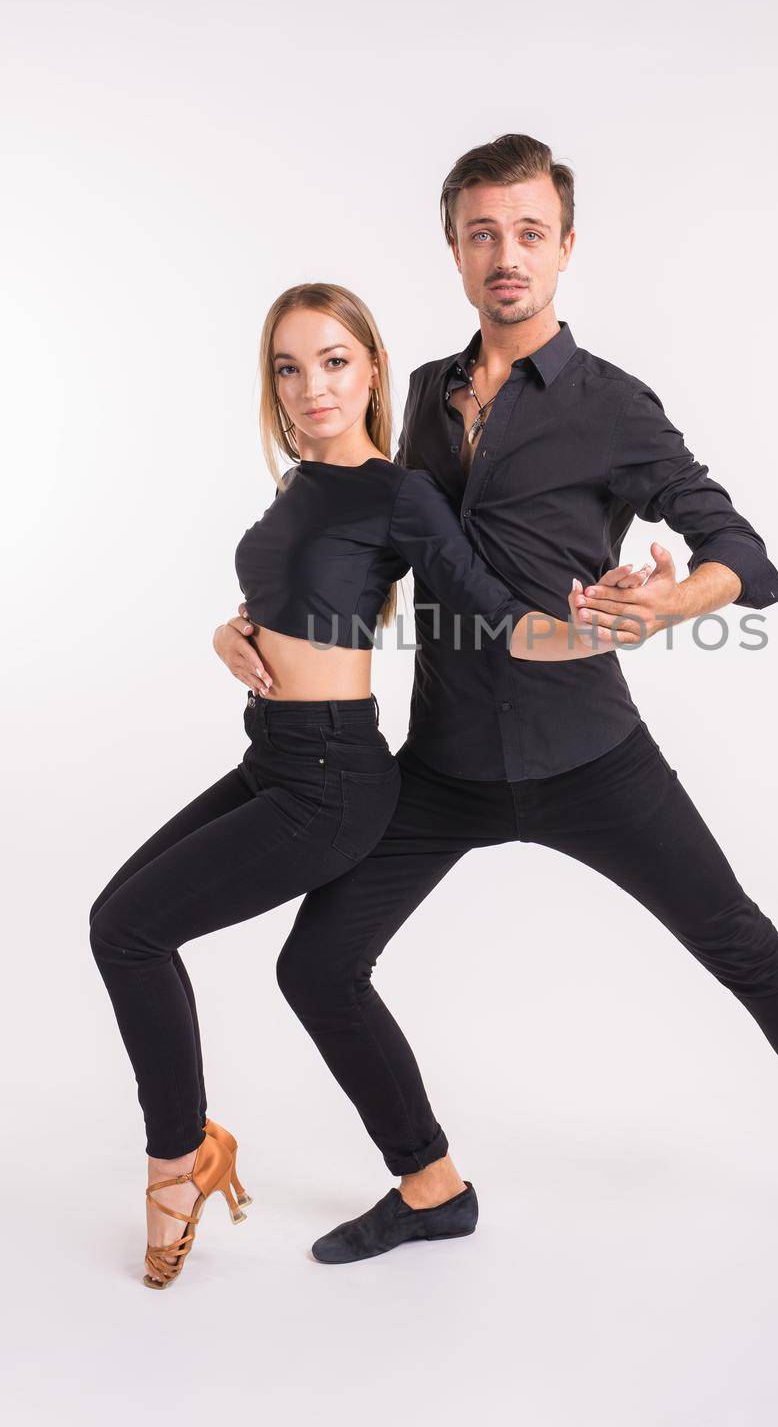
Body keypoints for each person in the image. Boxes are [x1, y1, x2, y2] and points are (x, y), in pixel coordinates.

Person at [216, 136, 778, 1284]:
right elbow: (356, 537)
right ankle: (431, 1188)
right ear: (453, 248)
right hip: (439, 766)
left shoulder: (612, 406)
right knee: (317, 966)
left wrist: (667, 602)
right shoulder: (418, 395)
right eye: (482, 231)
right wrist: (253, 616)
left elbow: (737, 546)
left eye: (529, 231)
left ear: (565, 248)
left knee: (746, 948)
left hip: (588, 753)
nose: (505, 254)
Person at [90, 280, 633, 1291]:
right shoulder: (300, 484)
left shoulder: (400, 493)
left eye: (333, 361)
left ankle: (179, 1161)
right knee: (297, 968)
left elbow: (494, 611)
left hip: (332, 783)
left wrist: (609, 621)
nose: (311, 387)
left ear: (372, 370)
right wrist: (228, 629)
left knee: (128, 931)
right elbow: (289, 589)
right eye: (289, 368)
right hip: (274, 756)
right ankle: (432, 1183)